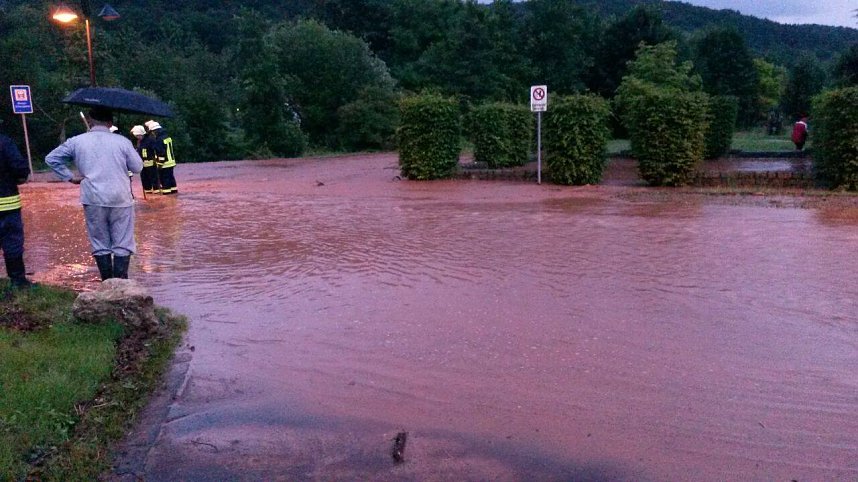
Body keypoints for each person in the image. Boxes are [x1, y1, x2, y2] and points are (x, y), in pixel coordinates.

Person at [45, 107, 143, 280]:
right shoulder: (122, 142)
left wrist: (70, 177)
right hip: (120, 197)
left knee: (100, 243)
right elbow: (137, 167)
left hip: (93, 198)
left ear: (90, 121)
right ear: (110, 123)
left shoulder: (76, 141)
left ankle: (106, 283)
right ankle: (121, 286)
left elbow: (51, 159)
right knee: (123, 242)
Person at [0, 131, 33, 289]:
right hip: (6, 203)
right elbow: (20, 169)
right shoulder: (4, 142)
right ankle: (18, 281)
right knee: (12, 242)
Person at [145, 120, 178, 195]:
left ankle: (167, 196)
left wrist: (159, 164)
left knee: (164, 179)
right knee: (171, 178)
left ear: (154, 131)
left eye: (152, 132)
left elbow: (161, 153)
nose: (152, 134)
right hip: (171, 162)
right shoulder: (167, 137)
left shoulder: (159, 140)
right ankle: (174, 192)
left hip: (165, 163)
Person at [131, 125, 159, 195]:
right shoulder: (139, 142)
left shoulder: (150, 140)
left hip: (151, 165)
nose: (137, 137)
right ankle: (148, 194)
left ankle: (157, 195)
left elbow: (156, 150)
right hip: (142, 166)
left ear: (141, 134)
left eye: (138, 135)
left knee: (154, 180)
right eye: (136, 136)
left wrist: (156, 160)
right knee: (145, 181)